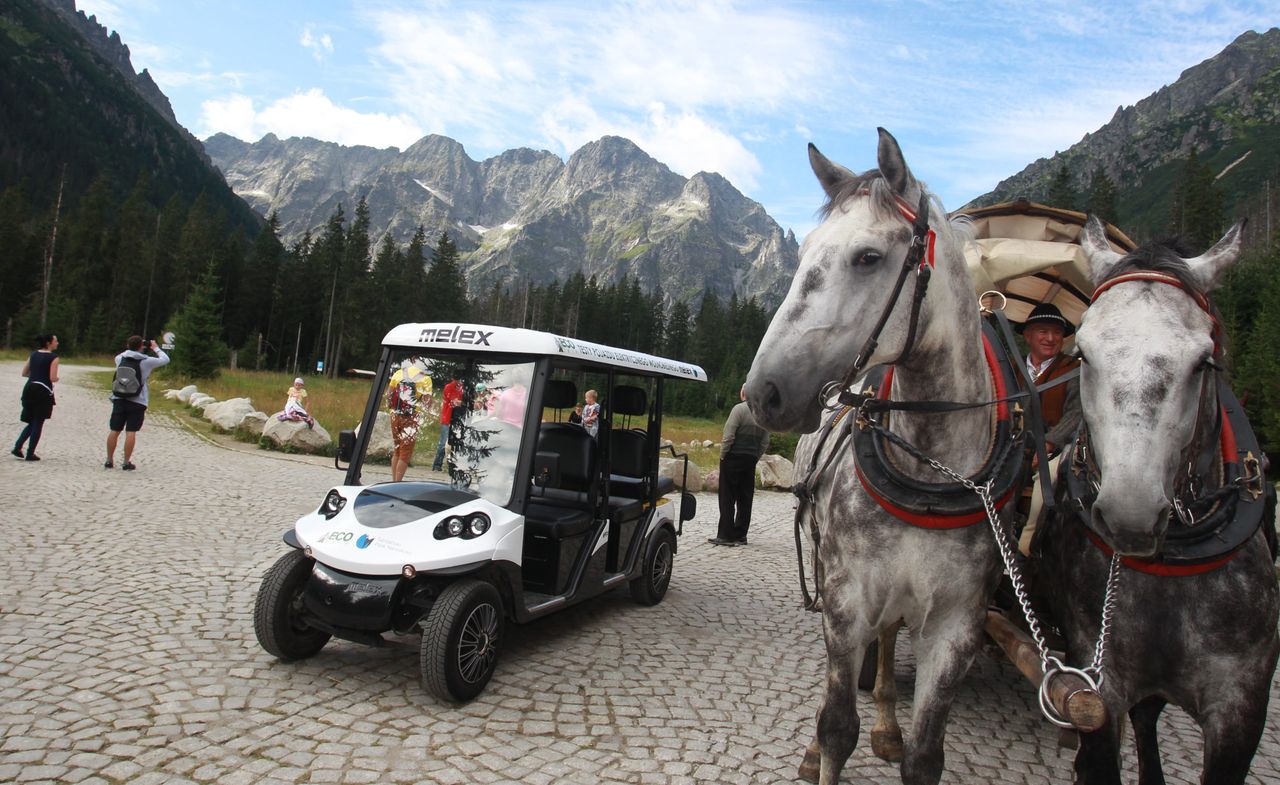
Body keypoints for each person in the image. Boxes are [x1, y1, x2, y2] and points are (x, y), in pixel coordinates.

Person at [1016, 302, 1082, 555]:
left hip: (1057, 448)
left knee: (1049, 478)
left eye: (1056, 332)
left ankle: (1027, 545)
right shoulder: (1011, 367)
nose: (1051, 338)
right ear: (1028, 335)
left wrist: (1049, 443)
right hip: (1012, 446)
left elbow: (1077, 412)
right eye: (1043, 331)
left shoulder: (1073, 370)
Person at [709, 385, 770, 546]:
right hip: (750, 460)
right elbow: (765, 442)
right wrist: (755, 457)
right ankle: (740, 534)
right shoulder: (763, 414)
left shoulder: (738, 410)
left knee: (727, 496)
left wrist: (723, 456)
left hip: (733, 458)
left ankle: (725, 535)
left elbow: (728, 436)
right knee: (745, 497)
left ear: (743, 393)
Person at [105, 335, 170, 470]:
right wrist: (155, 348)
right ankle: (126, 462)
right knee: (131, 431)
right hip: (138, 400)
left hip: (119, 398)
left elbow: (123, 354)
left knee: (115, 430)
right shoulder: (147, 361)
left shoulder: (120, 359)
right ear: (142, 346)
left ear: (128, 346)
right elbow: (166, 359)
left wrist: (130, 347)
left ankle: (109, 460)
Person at [12, 334, 59, 461]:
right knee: (38, 421)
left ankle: (18, 446)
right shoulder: (53, 358)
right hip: (43, 391)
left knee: (32, 421)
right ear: (49, 343)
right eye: (55, 341)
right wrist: (56, 379)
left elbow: (24, 373)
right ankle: (30, 452)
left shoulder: (33, 355)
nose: (57, 343)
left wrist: (37, 376)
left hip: (29, 388)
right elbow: (52, 377)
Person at [387, 360, 433, 482]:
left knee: (397, 450)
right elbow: (427, 404)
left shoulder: (398, 373)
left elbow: (389, 396)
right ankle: (397, 483)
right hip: (411, 417)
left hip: (394, 416)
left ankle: (393, 481)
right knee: (405, 452)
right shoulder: (425, 378)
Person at [433, 377, 462, 472]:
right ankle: (437, 464)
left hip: (458, 420)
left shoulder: (463, 388)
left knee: (456, 443)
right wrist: (468, 403)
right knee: (443, 443)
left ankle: (452, 466)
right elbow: (454, 402)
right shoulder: (449, 387)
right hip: (448, 419)